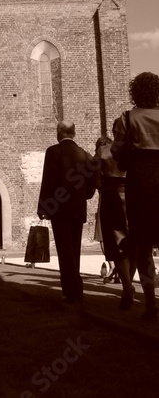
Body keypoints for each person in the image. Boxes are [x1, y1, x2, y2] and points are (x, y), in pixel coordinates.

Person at [112, 72, 159, 321]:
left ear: (135, 93)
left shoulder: (127, 118)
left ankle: (150, 302)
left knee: (143, 245)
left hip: (141, 182)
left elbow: (117, 152)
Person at [37, 120, 96, 304]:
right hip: (78, 209)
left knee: (65, 250)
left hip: (59, 208)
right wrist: (84, 196)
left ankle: (72, 291)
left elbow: (48, 181)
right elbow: (92, 183)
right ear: (74, 133)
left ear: (59, 132)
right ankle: (74, 290)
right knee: (75, 249)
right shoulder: (84, 154)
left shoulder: (54, 151)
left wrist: (43, 206)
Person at [94, 130, 136, 309]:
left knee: (116, 243)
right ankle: (128, 284)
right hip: (134, 196)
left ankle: (127, 286)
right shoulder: (134, 149)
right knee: (134, 242)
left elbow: (95, 181)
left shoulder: (102, 151)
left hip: (112, 197)